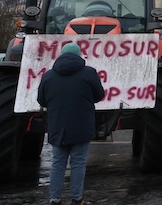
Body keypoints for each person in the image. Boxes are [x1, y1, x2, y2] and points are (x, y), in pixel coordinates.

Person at [37, 42, 105, 205]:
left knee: (57, 163)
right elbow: (99, 95)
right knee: (78, 163)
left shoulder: (48, 76)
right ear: (78, 55)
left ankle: (55, 199)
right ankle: (76, 199)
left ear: (61, 55)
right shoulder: (89, 73)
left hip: (57, 125)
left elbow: (41, 100)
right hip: (82, 125)